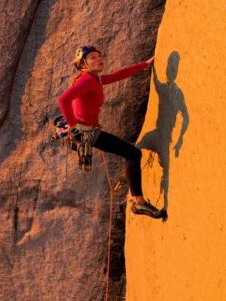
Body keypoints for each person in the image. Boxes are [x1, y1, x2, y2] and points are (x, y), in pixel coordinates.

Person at [57, 45, 165, 219]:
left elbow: (118, 75)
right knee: (133, 154)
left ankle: (139, 202)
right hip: (84, 133)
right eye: (92, 57)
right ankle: (139, 204)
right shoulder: (87, 80)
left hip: (87, 131)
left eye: (99, 56)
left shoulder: (95, 79)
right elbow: (63, 100)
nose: (99, 59)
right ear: (83, 64)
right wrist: (71, 124)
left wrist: (144, 64)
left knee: (132, 154)